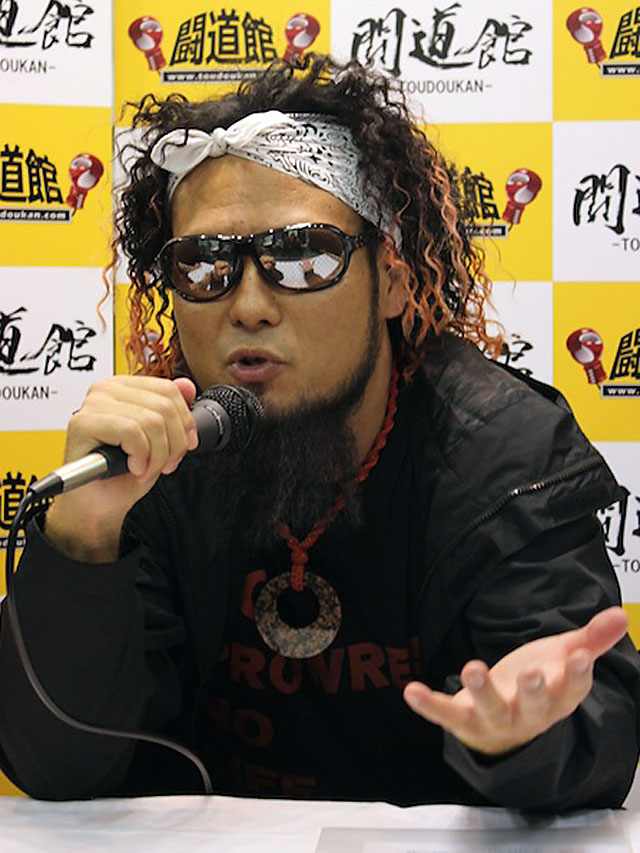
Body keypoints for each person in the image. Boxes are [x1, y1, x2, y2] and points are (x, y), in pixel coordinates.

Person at [0, 55, 638, 808]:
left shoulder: (501, 451)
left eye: (303, 256)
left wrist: (525, 737)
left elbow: (595, 735)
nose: (248, 305)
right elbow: (61, 768)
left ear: (393, 279)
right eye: (204, 266)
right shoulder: (155, 462)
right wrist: (81, 543)